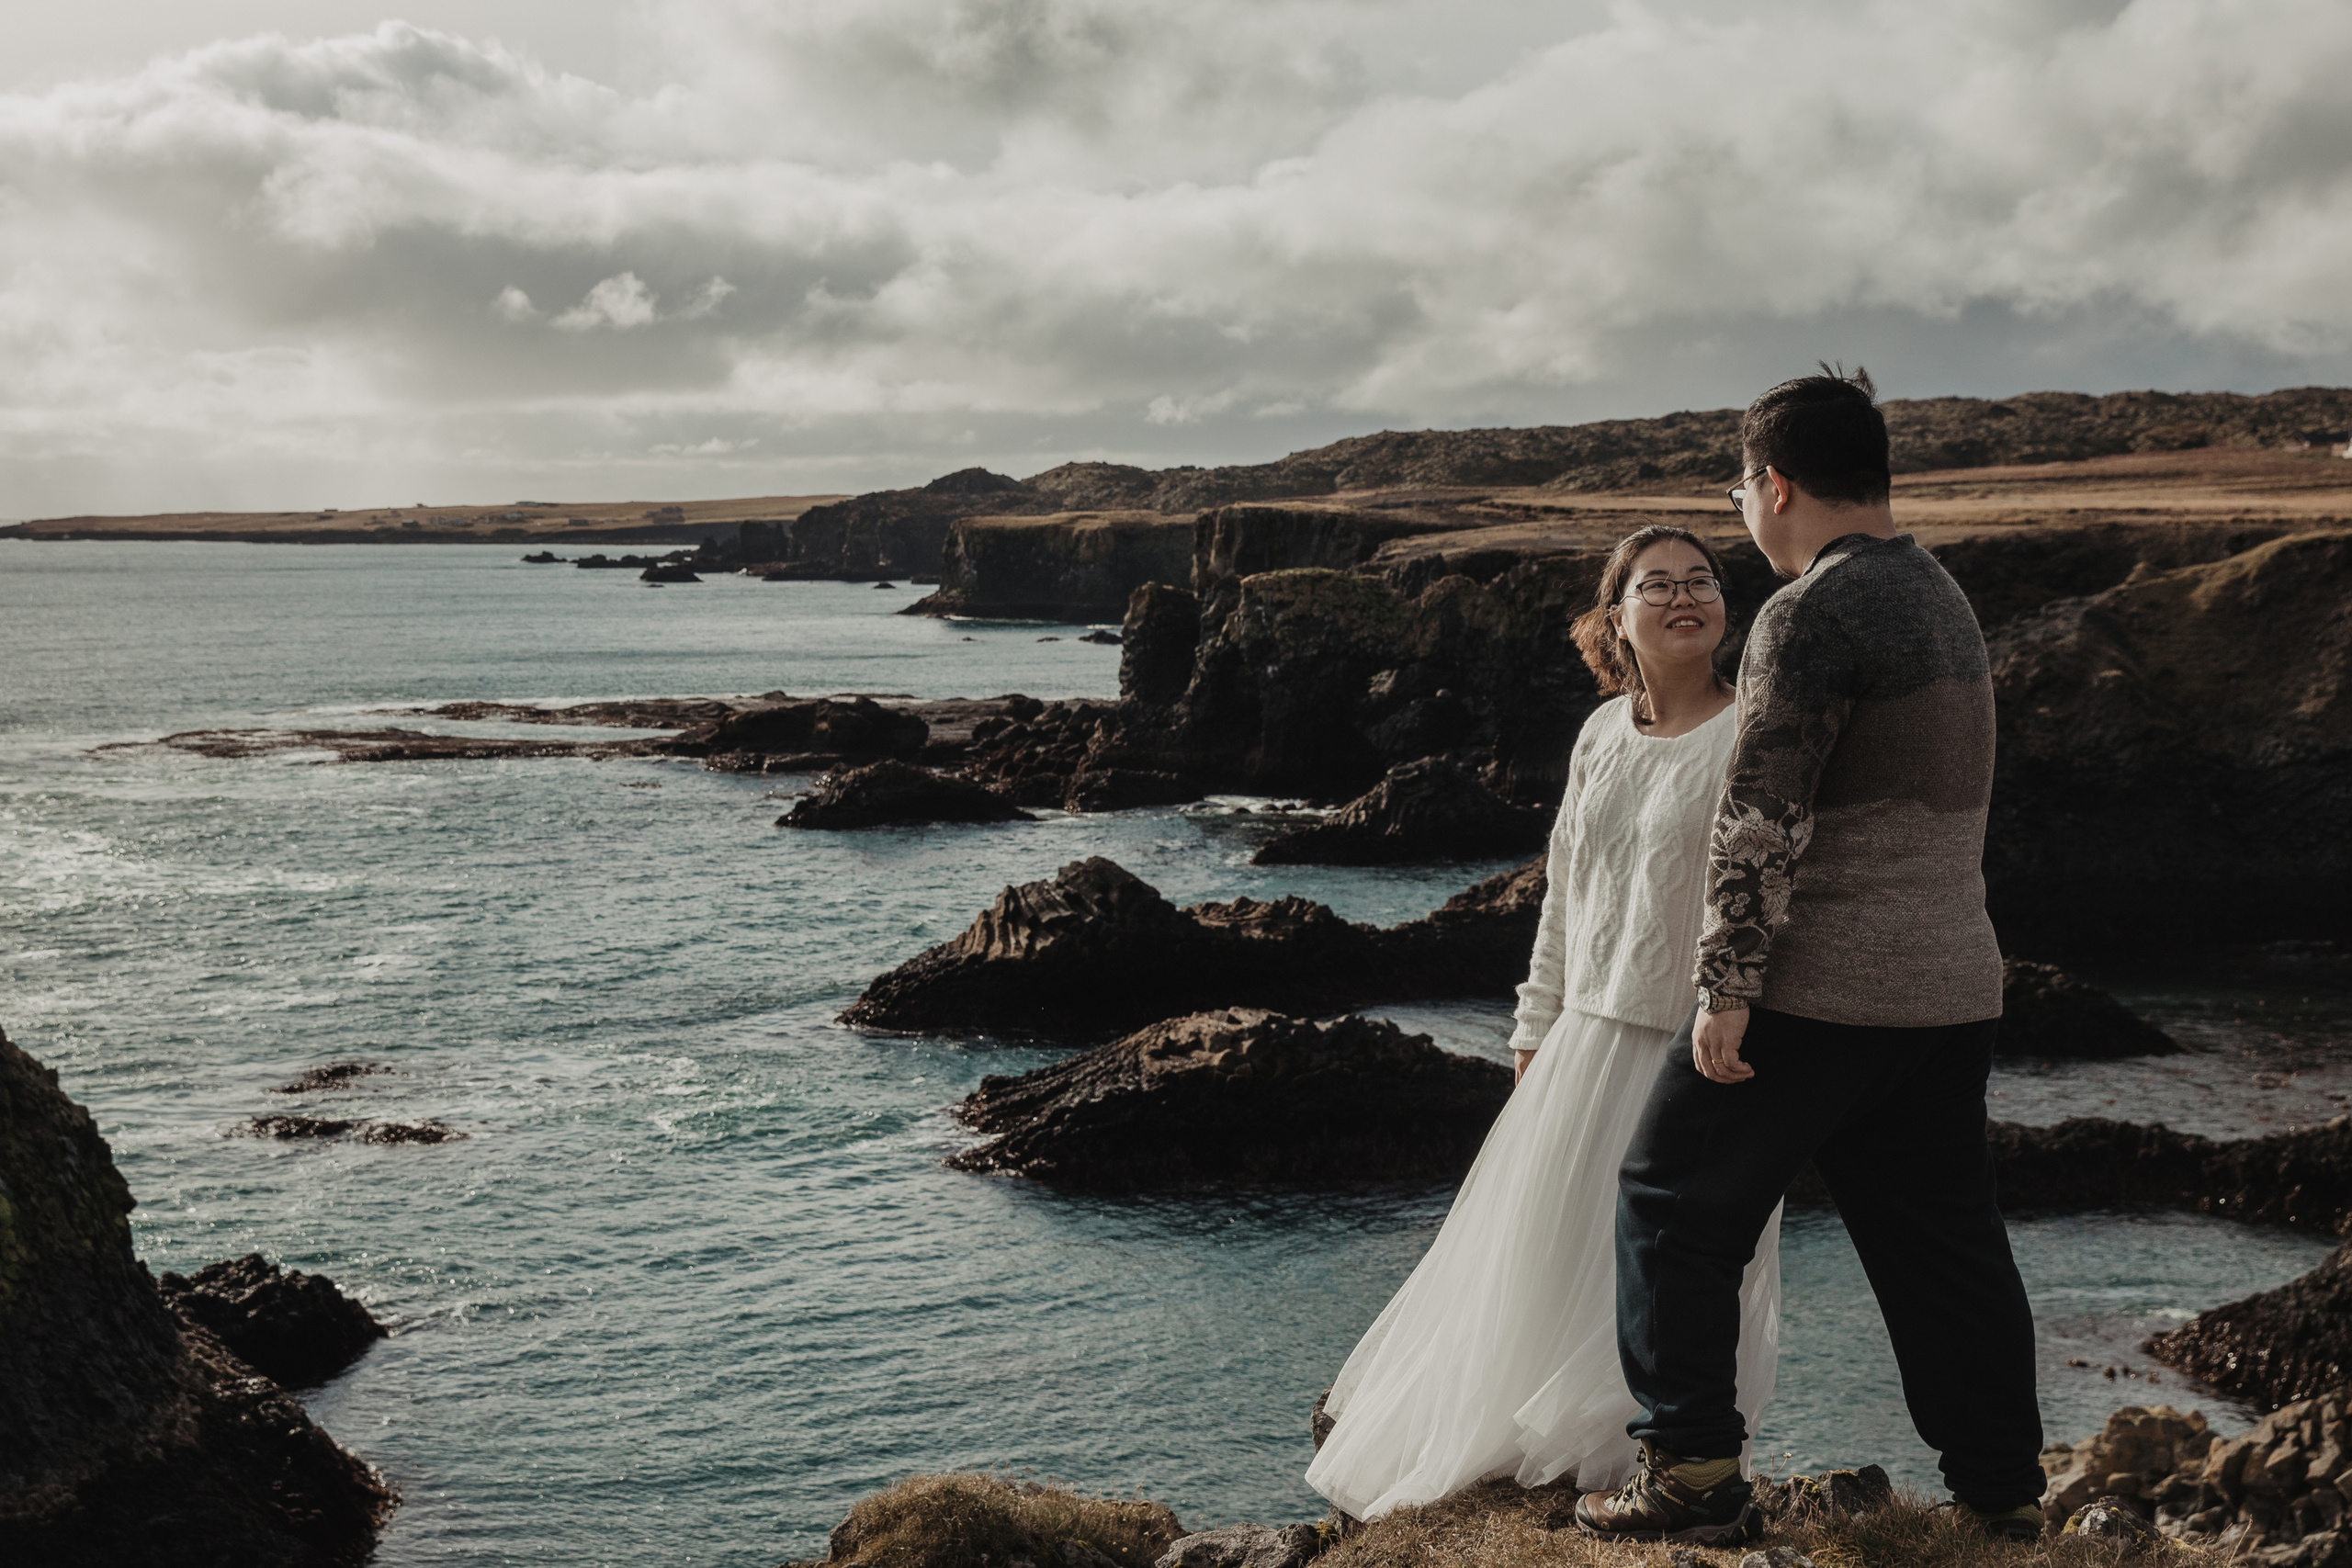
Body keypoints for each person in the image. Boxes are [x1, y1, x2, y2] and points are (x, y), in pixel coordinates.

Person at [1576, 367, 2045, 1547]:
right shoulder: (1942, 595)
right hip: (1948, 989)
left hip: (1824, 989)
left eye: (1741, 491)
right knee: (1944, 1246)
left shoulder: (1811, 609)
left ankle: (1689, 1477)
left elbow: (1761, 811)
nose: (1743, 515)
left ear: (1774, 484)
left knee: (1668, 1204)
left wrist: (1726, 987)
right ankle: (2000, 1496)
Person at [1305, 524, 1782, 1522]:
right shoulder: (1600, 734)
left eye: (1702, 580)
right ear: (1617, 618)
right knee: (1542, 1251)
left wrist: (1739, 1011)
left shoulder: (1754, 731)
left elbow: (1772, 896)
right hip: (1584, 1034)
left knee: (1674, 1257)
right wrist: (1534, 1021)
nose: (1685, 597)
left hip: (1695, 1037)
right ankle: (1529, 1442)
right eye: (1658, 585)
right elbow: (1564, 892)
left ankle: (1644, 1453)